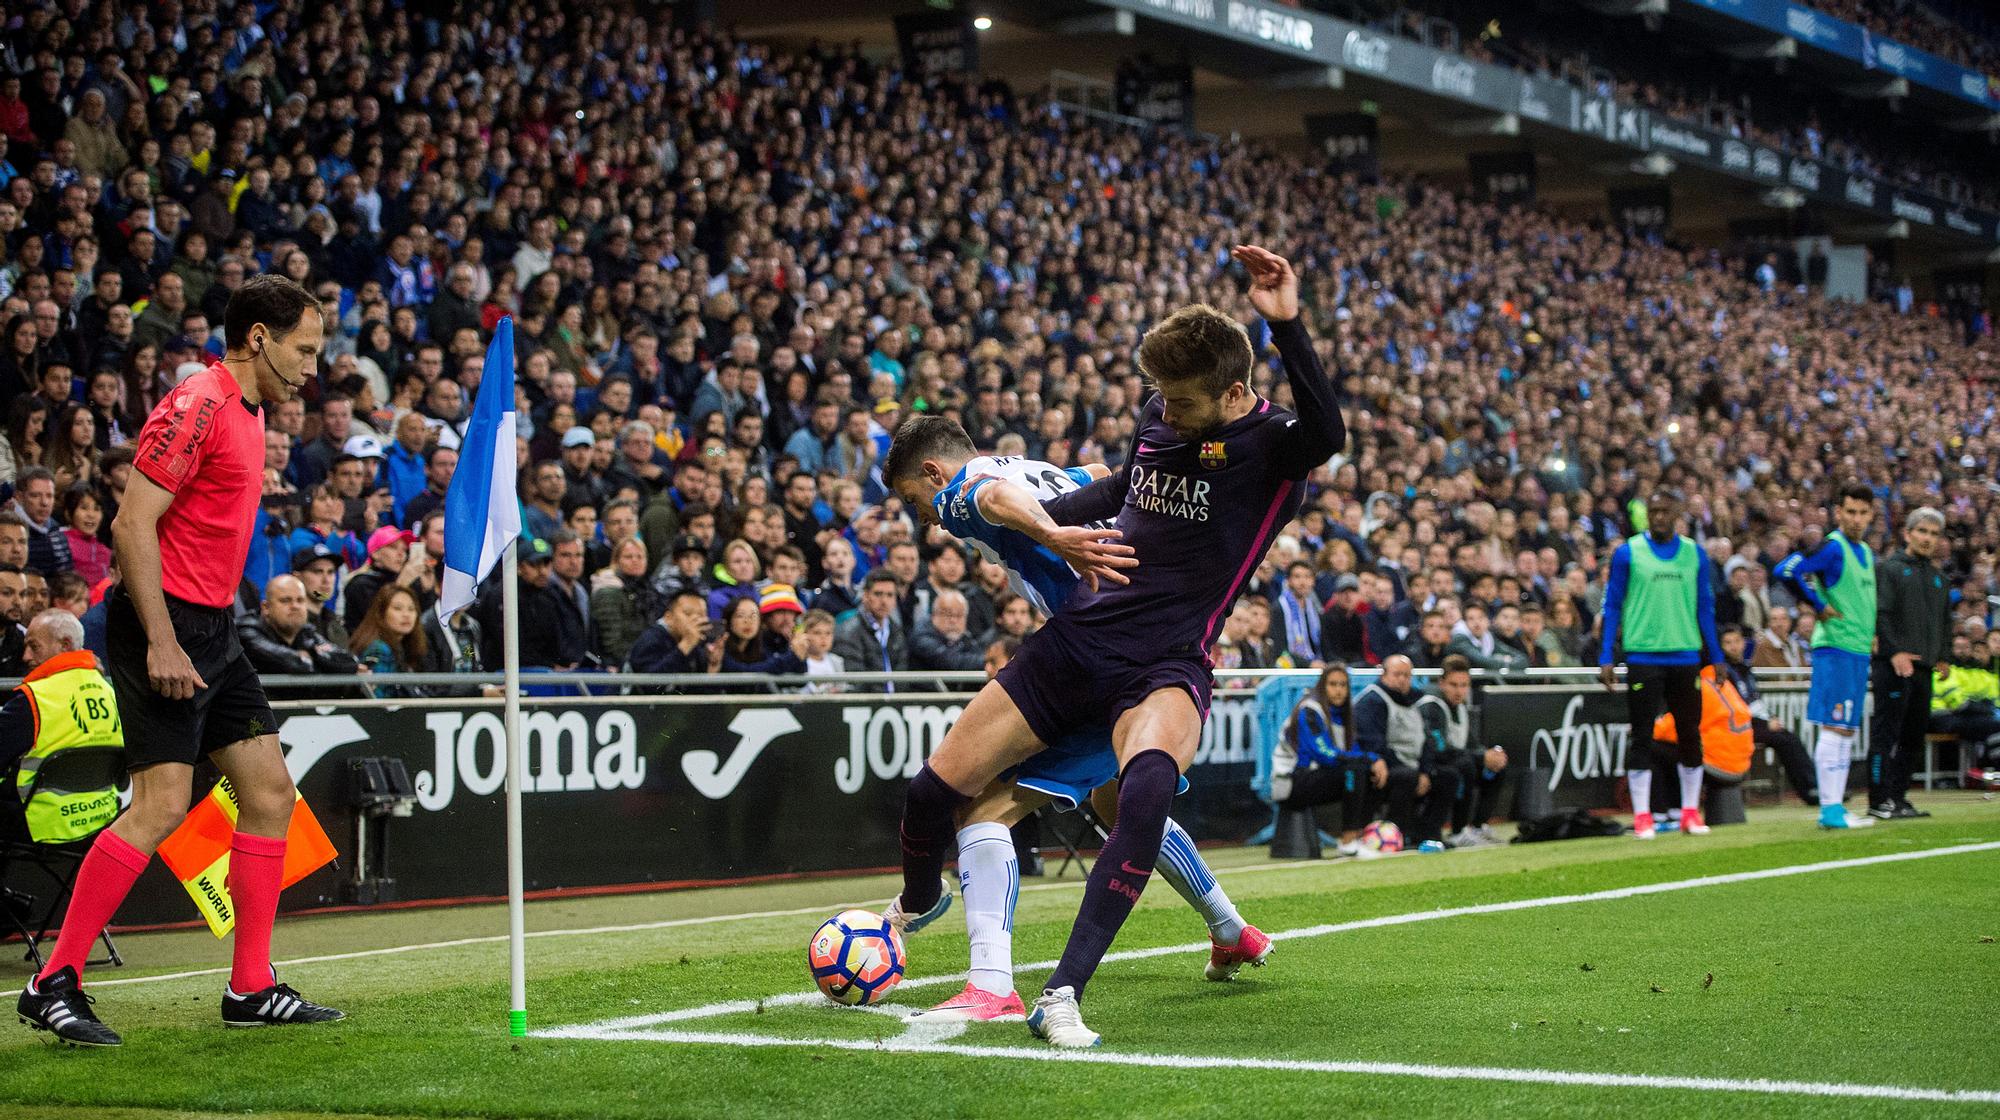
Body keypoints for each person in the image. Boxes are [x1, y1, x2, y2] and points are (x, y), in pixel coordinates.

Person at [886, 246, 1337, 1046]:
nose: (1165, 409)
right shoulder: (1162, 421)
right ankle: (921, 907)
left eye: (1182, 398)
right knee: (934, 793)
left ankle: (1057, 993)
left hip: (1166, 661)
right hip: (1079, 638)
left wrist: (1287, 324)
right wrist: (1065, 535)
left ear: (1234, 392)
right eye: (1158, 394)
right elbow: (1119, 489)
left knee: (1139, 797)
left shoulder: (1273, 448)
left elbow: (1327, 428)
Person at [19, 275, 343, 1048]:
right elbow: (132, 525)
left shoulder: (254, 409)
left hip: (213, 624)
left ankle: (251, 985)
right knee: (162, 805)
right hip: (160, 623)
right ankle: (51, 981)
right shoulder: (198, 401)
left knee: (269, 792)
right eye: (304, 348)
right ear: (259, 337)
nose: (313, 366)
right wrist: (163, 640)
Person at [882, 413, 1266, 1024]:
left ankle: (985, 980)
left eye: (914, 499)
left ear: (933, 471)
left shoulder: (966, 489)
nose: (922, 516)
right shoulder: (1041, 468)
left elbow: (993, 498)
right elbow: (1099, 474)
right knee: (1123, 809)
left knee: (975, 806)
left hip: (1091, 648)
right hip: (1146, 647)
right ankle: (1230, 929)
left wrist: (1052, 536)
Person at [1598, 490, 1725, 840]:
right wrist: (1606, 654)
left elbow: (1705, 608)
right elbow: (1612, 606)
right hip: (1642, 656)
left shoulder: (1694, 554)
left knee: (1690, 736)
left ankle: (1689, 813)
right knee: (1642, 736)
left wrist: (1715, 655)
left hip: (1686, 656)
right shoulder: (1628, 554)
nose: (1658, 517)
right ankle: (1642, 816)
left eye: (1664, 511)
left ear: (1677, 513)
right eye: (1653, 511)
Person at [1775, 484, 1881, 831]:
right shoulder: (1833, 548)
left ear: (1871, 515)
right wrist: (1818, 606)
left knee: (1846, 730)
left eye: (1863, 512)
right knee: (1835, 727)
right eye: (1850, 511)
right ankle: (1830, 809)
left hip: (1856, 649)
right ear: (1838, 513)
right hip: (1835, 648)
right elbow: (1786, 570)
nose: (1857, 518)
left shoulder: (1863, 550)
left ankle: (1836, 807)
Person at [0, 610, 122, 847]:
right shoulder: (110, 692)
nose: (25, 656)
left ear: (65, 645)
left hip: (38, 822)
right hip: (101, 820)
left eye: (34, 646)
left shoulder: (35, 698)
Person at [1866, 507, 1952, 820]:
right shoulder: (1889, 569)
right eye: (1922, 532)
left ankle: (1899, 798)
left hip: (1924, 668)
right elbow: (1881, 614)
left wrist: (1943, 655)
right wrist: (1894, 652)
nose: (1928, 539)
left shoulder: (1939, 578)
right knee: (1886, 735)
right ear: (1907, 534)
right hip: (1894, 667)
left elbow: (1945, 620)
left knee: (1913, 737)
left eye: (1933, 533)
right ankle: (1878, 799)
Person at [1273, 662, 1384, 858]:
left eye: (1343, 685)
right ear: (1322, 686)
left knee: (1367, 773)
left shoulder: (1346, 715)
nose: (1338, 690)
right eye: (1333, 684)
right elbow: (1325, 754)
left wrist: (1372, 762)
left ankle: (1361, 836)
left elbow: (1353, 752)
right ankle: (1348, 842)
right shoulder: (1309, 710)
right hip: (1292, 781)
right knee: (1355, 770)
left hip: (1319, 777)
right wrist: (1370, 759)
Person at [1353, 654, 1456, 846]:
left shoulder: (1415, 700)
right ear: (1383, 675)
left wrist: (1425, 771)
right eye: (1397, 674)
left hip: (1413, 765)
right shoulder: (1371, 701)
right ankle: (1397, 835)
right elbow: (1374, 744)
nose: (1402, 679)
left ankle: (1429, 833)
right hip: (1382, 767)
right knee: (1406, 776)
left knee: (1448, 776)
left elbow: (1426, 740)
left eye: (1407, 675)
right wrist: (1415, 772)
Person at [1718, 624, 1817, 805]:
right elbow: (1732, 709)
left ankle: (1813, 787)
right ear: (1721, 646)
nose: (1733, 646)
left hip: (1755, 722)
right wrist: (1763, 724)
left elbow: (1754, 700)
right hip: (1736, 727)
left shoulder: (1745, 669)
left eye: (1737, 641)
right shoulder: (1723, 672)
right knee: (1785, 740)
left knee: (1789, 737)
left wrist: (1770, 717)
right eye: (1728, 642)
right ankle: (1810, 790)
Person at [1420, 656, 1508, 848]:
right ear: (1442, 683)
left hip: (1456, 762)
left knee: (1496, 768)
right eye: (1454, 685)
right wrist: (1480, 756)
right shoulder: (1432, 706)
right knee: (1465, 766)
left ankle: (1477, 826)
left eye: (1464, 685)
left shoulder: (1461, 709)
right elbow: (1439, 748)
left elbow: (1472, 745)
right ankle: (1458, 831)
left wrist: (1490, 755)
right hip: (1433, 766)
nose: (1459, 691)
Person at [236, 574, 362, 681]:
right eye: (286, 600)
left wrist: (311, 655)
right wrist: (323, 662)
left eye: (300, 600)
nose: (295, 606)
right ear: (266, 608)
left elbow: (350, 661)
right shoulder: (245, 630)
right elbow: (293, 663)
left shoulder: (306, 632)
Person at [833, 569, 908, 693]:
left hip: (895, 706)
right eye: (878, 594)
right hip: (866, 706)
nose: (884, 601)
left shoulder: (897, 631)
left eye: (890, 595)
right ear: (865, 596)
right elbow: (855, 680)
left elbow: (902, 676)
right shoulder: (849, 631)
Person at [349, 585, 427, 696]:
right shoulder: (379, 648)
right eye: (397, 608)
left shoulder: (405, 646)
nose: (406, 615)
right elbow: (377, 698)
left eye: (411, 609)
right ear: (381, 613)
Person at [625, 589, 716, 679]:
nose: (696, 619)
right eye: (688, 613)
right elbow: (650, 685)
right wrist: (686, 645)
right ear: (668, 617)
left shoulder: (701, 642)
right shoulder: (651, 639)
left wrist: (713, 665)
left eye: (702, 614)